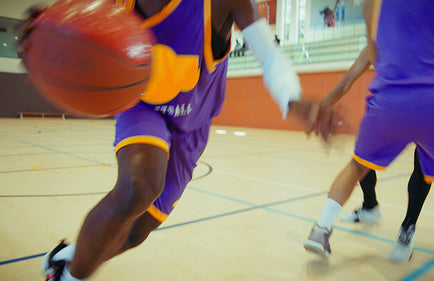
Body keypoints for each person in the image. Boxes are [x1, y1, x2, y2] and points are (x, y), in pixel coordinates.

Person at [19, 1, 327, 280]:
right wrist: (48, 28)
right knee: (140, 187)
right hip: (142, 106)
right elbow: (73, 27)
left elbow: (269, 55)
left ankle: (64, 260)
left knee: (135, 234)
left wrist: (293, 99)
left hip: (193, 126)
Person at [303, 0, 434, 279]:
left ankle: (321, 229)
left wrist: (319, 108)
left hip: (390, 103)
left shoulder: (372, 5)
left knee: (356, 166)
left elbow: (375, 58)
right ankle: (407, 229)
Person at [315, 46, 432, 263]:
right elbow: (345, 82)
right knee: (363, 156)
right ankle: (370, 206)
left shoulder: (431, 37)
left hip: (429, 107)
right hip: (390, 109)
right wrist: (320, 109)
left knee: (427, 166)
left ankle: (408, 228)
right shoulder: (376, 44)